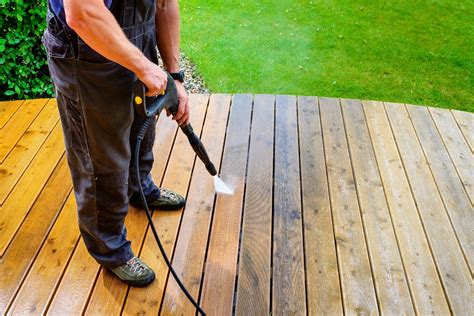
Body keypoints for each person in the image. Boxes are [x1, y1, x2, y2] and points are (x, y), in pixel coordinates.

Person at [42, 0, 189, 287]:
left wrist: (174, 76)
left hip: (136, 40)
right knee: (100, 155)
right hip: (86, 51)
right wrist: (143, 67)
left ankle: (139, 187)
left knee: (141, 125)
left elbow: (164, 4)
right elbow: (83, 14)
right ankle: (110, 248)